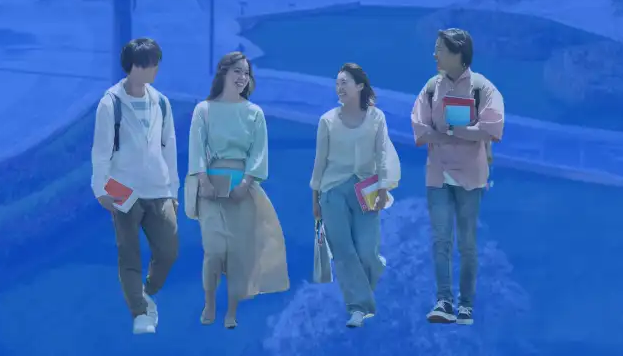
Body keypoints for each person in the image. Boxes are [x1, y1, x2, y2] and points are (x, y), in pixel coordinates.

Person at [185, 52, 288, 328]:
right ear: (224, 73)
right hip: (211, 189)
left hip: (243, 189)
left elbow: (259, 153)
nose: (243, 77)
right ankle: (210, 302)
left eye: (246, 73)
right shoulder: (203, 110)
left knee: (239, 254)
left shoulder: (254, 114)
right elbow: (196, 149)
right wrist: (203, 180)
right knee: (215, 250)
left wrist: (247, 182)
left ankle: (231, 311)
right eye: (237, 71)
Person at [412, 27, 504, 326]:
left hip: (471, 177)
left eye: (440, 49)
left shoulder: (482, 88)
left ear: (458, 54)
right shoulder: (430, 88)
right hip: (438, 176)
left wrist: (454, 132)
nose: (435, 54)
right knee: (440, 240)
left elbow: (493, 128)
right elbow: (419, 128)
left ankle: (466, 305)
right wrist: (456, 134)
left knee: (466, 242)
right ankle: (443, 301)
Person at [91, 37, 180, 334]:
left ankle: (146, 291)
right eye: (147, 64)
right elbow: (101, 152)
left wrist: (174, 190)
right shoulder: (110, 103)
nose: (154, 69)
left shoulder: (162, 103)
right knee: (129, 253)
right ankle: (140, 314)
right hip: (122, 187)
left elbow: (169, 149)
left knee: (168, 250)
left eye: (156, 63)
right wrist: (100, 189)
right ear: (133, 67)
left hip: (158, 188)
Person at [311, 63, 401, 328]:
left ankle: (371, 275)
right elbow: (319, 161)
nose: (339, 88)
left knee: (367, 253)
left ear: (360, 86)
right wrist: (315, 198)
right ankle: (358, 308)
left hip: (367, 191)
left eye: (344, 83)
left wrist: (384, 189)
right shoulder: (327, 120)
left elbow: (382, 156)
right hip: (331, 192)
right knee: (343, 251)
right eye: (337, 83)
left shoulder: (376, 118)